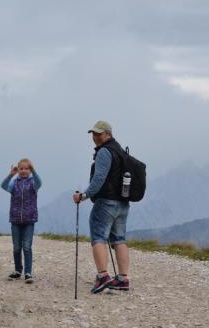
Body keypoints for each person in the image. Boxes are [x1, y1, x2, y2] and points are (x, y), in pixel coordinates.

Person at [73, 120, 131, 293]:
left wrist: (84, 196)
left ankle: (102, 276)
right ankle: (122, 279)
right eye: (93, 133)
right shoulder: (120, 151)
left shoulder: (105, 152)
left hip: (106, 201)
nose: (95, 137)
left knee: (98, 237)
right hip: (123, 202)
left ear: (108, 134)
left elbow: (99, 178)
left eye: (99, 133)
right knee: (119, 239)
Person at [0, 158, 42, 283]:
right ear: (18, 170)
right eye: (21, 168)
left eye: (26, 168)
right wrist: (10, 175)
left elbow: (40, 183)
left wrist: (34, 171)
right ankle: (18, 270)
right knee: (17, 247)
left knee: (27, 247)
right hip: (15, 219)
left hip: (29, 220)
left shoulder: (33, 182)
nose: (23, 171)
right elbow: (3, 186)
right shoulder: (14, 183)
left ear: (30, 170)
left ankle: (28, 273)